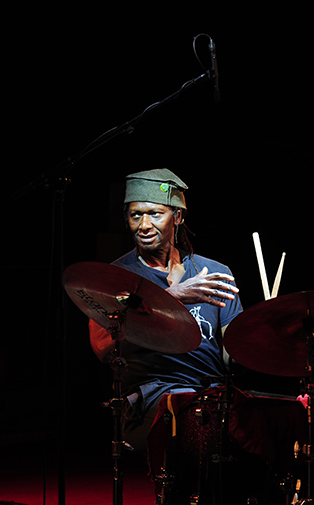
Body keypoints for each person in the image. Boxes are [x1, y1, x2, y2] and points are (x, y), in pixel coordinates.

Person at [88, 168, 242, 453]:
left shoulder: (215, 274)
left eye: (155, 214)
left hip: (211, 392)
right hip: (153, 393)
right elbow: (102, 347)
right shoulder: (113, 278)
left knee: (277, 418)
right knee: (193, 419)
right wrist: (172, 297)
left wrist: (264, 331)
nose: (144, 225)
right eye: (136, 215)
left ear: (178, 217)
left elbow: (232, 354)